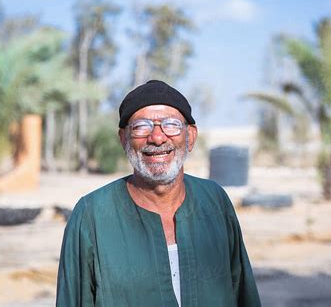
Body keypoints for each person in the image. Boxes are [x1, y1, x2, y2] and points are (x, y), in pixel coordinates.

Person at [56, 80, 261, 306]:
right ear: (124, 139)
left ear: (190, 136)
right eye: (141, 126)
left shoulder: (214, 201)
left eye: (171, 125)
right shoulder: (91, 216)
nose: (157, 137)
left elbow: (243, 292)